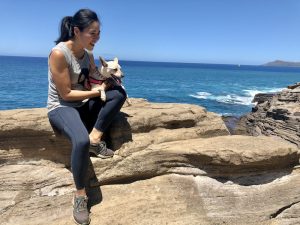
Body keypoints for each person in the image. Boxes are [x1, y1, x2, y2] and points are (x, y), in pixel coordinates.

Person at [47, 9, 126, 225]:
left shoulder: (88, 54)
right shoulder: (59, 54)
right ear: (76, 31)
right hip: (62, 107)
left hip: (83, 104)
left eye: (99, 33)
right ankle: (80, 195)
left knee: (119, 93)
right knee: (79, 141)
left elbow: (93, 77)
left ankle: (96, 137)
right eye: (92, 33)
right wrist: (97, 92)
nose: (97, 38)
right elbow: (66, 94)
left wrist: (107, 76)